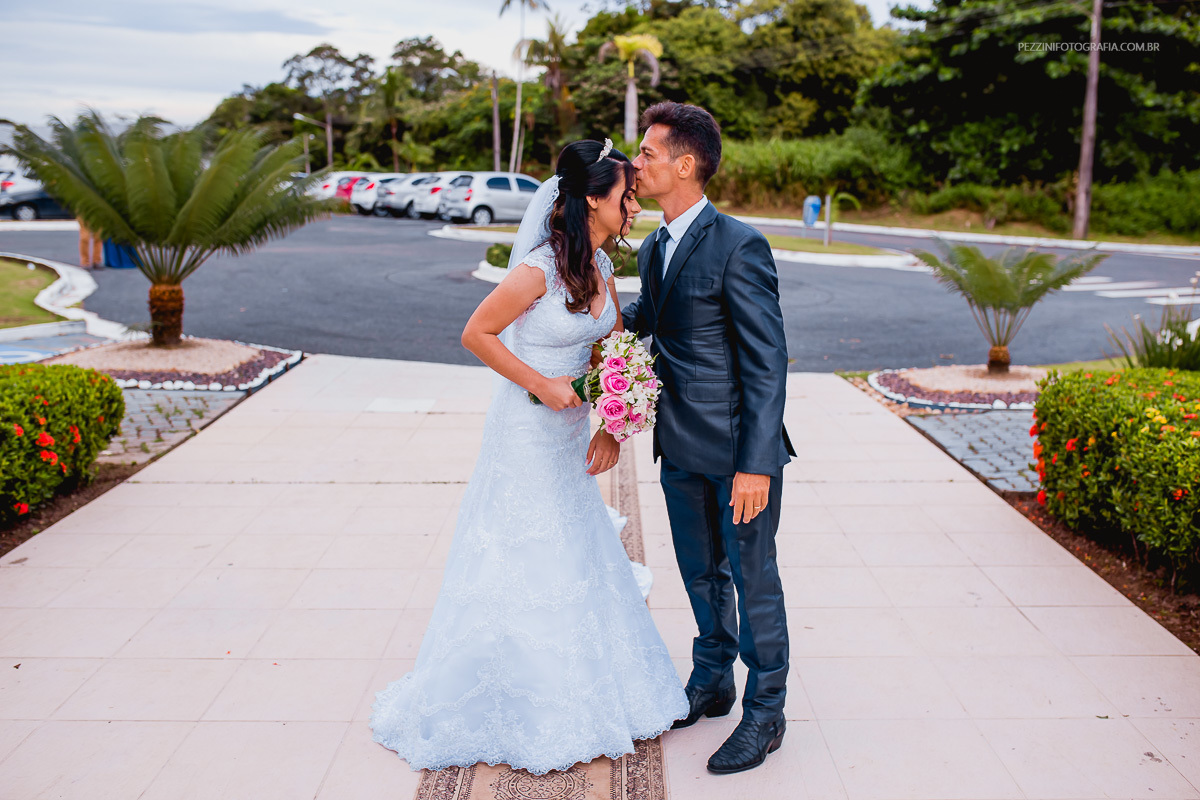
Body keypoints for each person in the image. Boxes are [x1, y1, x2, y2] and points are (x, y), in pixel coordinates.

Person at [369, 139, 688, 775]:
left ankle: (586, 684)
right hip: (525, 431)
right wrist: (539, 383)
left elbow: (611, 351)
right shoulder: (539, 269)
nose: (634, 206)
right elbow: (476, 333)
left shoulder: (602, 267)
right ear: (592, 200)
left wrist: (611, 428)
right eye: (625, 196)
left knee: (573, 544)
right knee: (523, 549)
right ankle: (508, 692)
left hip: (570, 434)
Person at [622, 101, 796, 775]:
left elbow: (767, 361)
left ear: (685, 165)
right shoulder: (655, 245)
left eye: (647, 153)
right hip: (678, 444)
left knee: (753, 580)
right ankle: (713, 680)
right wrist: (585, 311)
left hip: (736, 452)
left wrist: (757, 464)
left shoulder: (739, 244)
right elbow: (651, 315)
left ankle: (766, 712)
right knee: (700, 572)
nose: (637, 163)